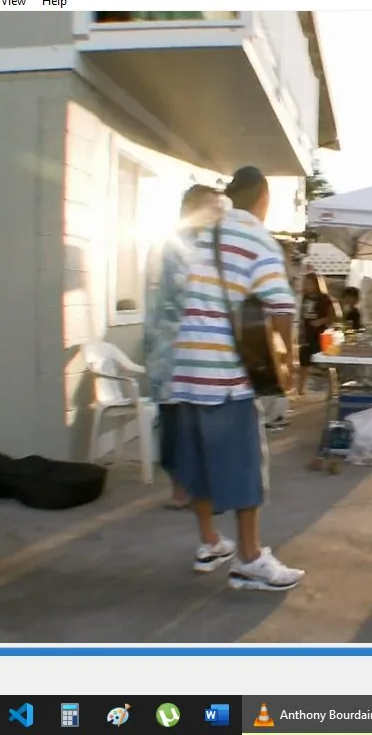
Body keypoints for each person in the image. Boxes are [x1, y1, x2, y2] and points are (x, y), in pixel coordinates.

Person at [169, 166, 305, 591]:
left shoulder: (191, 231)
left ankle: (209, 542)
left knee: (199, 467)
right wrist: (289, 367)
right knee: (244, 467)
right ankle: (249, 558)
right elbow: (280, 307)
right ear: (263, 196)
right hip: (224, 375)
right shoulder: (253, 235)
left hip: (178, 371)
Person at [143, 184, 227, 511]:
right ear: (192, 208)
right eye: (213, 207)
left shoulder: (211, 246)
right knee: (176, 424)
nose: (220, 214)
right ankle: (181, 488)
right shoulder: (170, 245)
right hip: (171, 352)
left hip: (204, 352)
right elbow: (183, 292)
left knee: (206, 422)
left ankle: (205, 489)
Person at [296, 271, 342, 396]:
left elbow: (337, 316)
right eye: (305, 283)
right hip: (307, 334)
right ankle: (301, 389)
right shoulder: (303, 298)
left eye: (309, 283)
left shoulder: (326, 299)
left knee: (326, 364)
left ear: (317, 284)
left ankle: (333, 389)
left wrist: (321, 320)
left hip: (322, 336)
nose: (306, 285)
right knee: (304, 363)